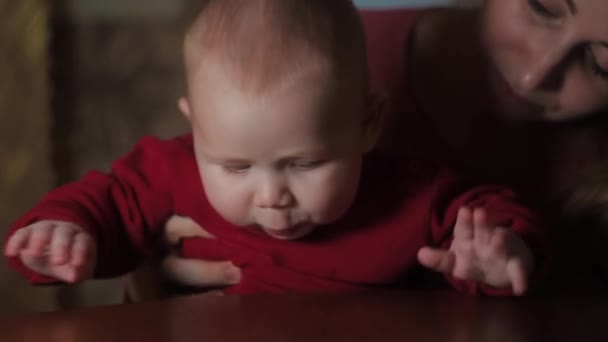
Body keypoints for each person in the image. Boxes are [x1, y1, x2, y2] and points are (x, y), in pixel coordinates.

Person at [4, 0, 543, 296]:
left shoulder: (408, 193)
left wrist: (498, 250)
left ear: (367, 124)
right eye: (234, 165)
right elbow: (108, 203)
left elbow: (482, 213)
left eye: (304, 163)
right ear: (197, 127)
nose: (271, 196)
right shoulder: (173, 169)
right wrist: (65, 233)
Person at [153, 0, 608, 294]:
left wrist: (511, 266)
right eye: (543, 7)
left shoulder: (589, 172)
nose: (536, 74)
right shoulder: (307, 48)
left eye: (600, 62)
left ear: (370, 121)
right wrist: (143, 264)